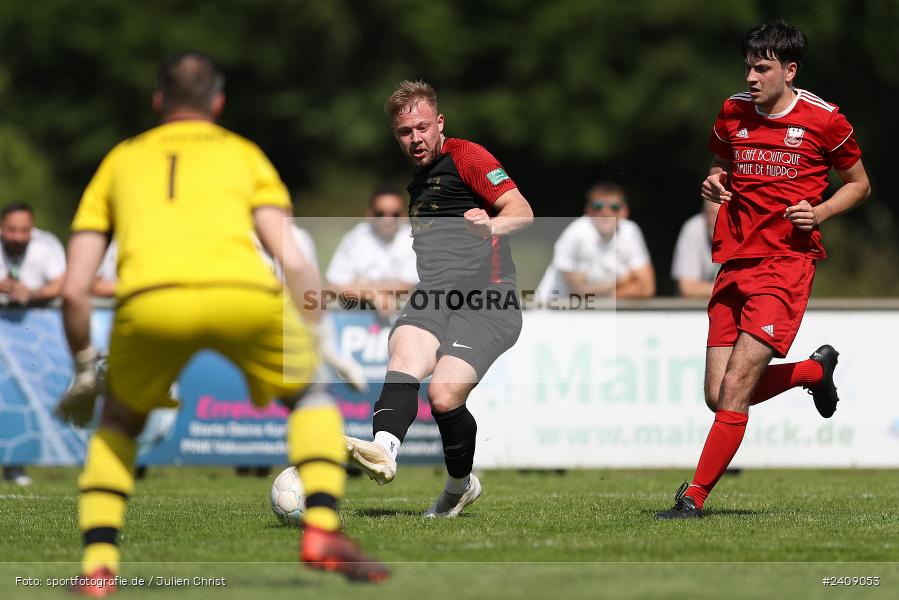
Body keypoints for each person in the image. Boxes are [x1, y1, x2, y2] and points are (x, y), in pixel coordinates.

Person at [56, 51, 388, 595]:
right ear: (218, 102)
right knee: (309, 398)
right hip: (244, 296)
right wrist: (318, 333)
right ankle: (323, 531)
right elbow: (292, 257)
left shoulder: (120, 160)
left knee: (117, 423)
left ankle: (98, 568)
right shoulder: (244, 154)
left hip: (150, 302)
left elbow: (74, 289)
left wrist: (84, 366)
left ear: (158, 100)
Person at [656, 21, 870, 519]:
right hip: (734, 261)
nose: (751, 77)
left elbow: (859, 184)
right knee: (718, 395)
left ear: (789, 70)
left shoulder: (826, 120)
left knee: (735, 388)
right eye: (748, 67)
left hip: (785, 265)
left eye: (762, 68)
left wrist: (820, 212)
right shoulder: (732, 111)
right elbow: (718, 166)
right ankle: (813, 371)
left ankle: (693, 498)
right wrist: (713, 182)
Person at [345, 80, 533, 517]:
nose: (415, 139)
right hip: (434, 296)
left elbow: (522, 211)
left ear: (440, 123)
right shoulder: (419, 183)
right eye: (405, 132)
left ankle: (459, 487)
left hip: (487, 300)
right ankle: (384, 449)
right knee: (403, 353)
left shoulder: (469, 157)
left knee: (444, 396)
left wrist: (490, 226)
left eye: (423, 128)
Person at [535, 182, 655, 304]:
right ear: (589, 210)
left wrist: (607, 295)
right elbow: (578, 293)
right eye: (598, 206)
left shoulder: (630, 232)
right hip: (551, 310)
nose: (606, 213)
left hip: (594, 309)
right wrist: (621, 282)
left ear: (624, 211)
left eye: (614, 207)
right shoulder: (576, 234)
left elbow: (646, 288)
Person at [325, 186, 418, 318]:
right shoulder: (355, 238)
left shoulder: (414, 240)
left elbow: (410, 286)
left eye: (395, 214)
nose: (388, 220)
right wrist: (372, 294)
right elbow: (333, 286)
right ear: (369, 214)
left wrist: (359, 287)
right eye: (380, 213)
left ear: (403, 215)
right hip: (357, 322)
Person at [0, 202, 66, 306]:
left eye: (24, 230)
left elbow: (61, 284)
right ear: (1, 226)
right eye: (12, 230)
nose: (18, 238)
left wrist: (32, 294)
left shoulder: (46, 244)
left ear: (33, 227)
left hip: (39, 314)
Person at [671, 201, 721, 298]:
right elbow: (687, 288)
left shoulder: (745, 230)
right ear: (704, 213)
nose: (718, 221)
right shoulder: (693, 229)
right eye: (713, 214)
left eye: (724, 214)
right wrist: (730, 288)